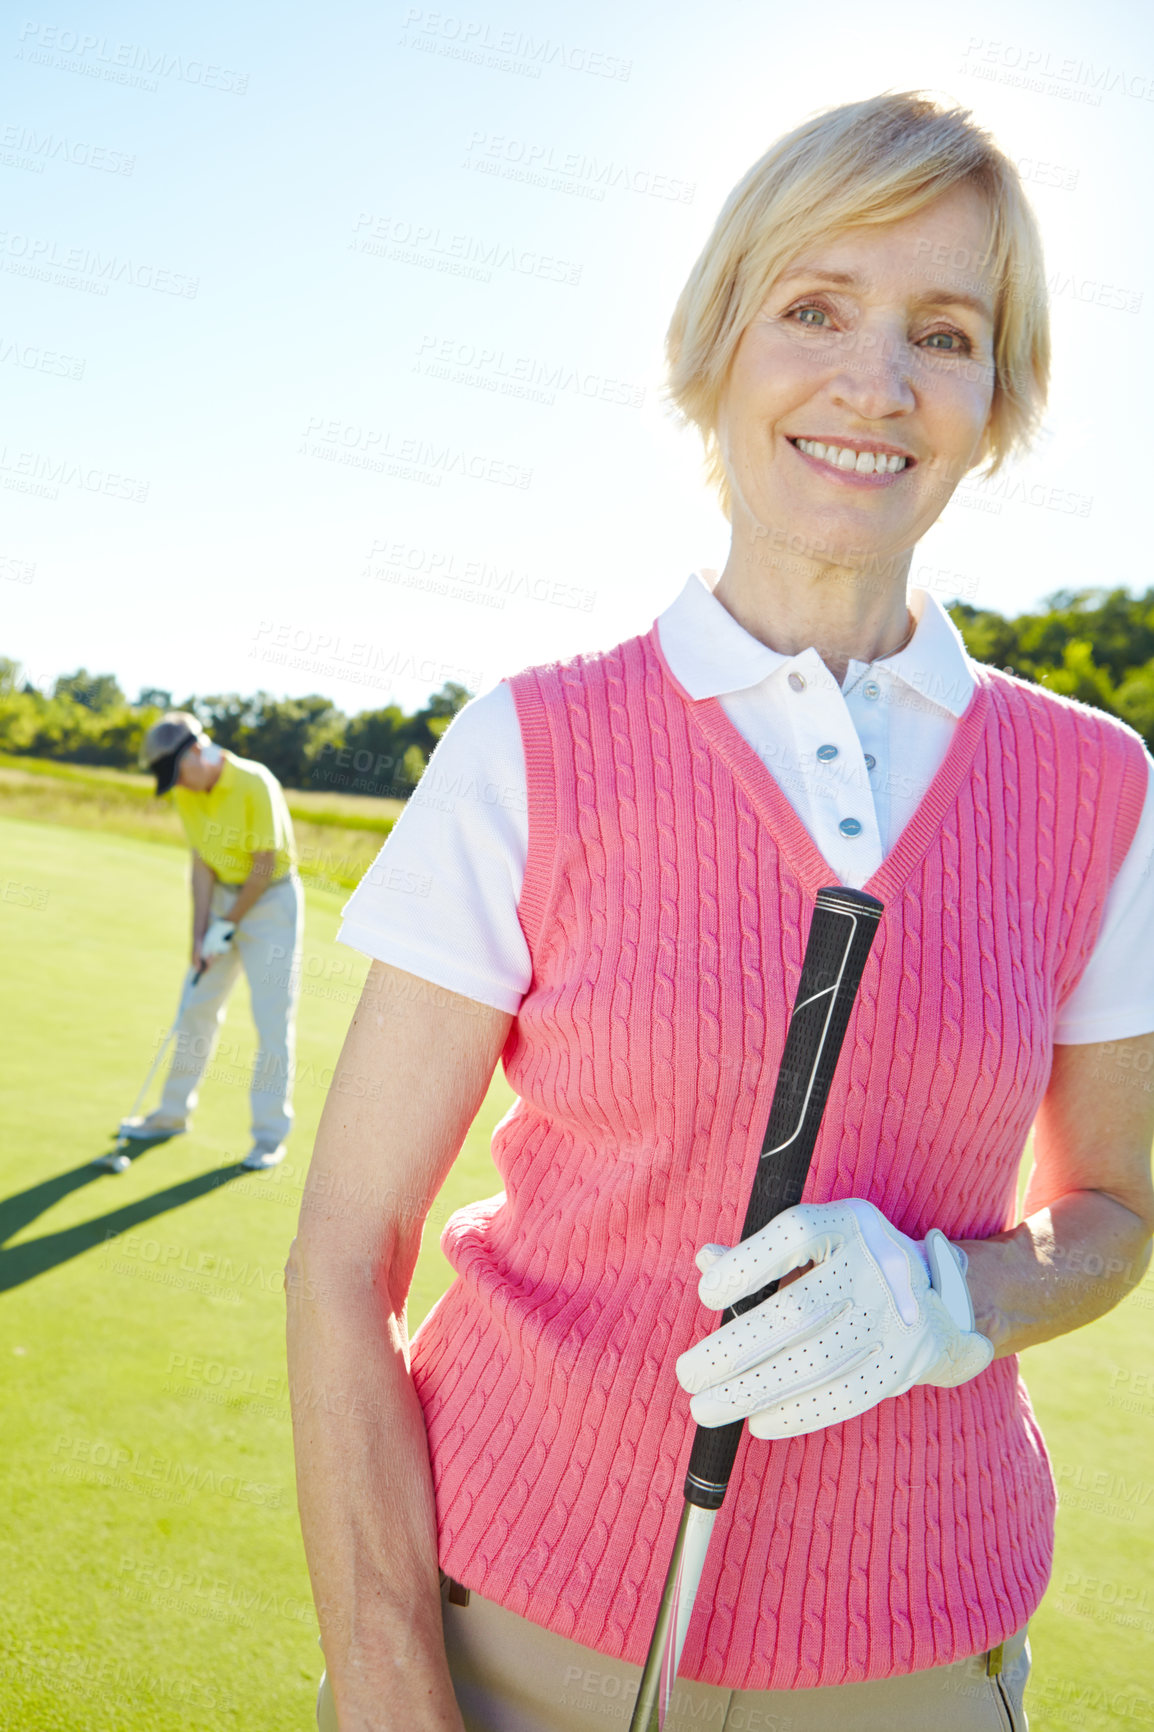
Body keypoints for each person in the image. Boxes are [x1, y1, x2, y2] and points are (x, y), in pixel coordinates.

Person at [287, 92, 1154, 1731]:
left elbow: (1110, 1208)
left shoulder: (1099, 787)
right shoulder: (531, 744)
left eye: (942, 333)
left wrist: (950, 1298)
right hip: (508, 1647)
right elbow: (342, 1252)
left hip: (912, 1671)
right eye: (812, 308)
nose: (872, 382)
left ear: (992, 398)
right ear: (715, 349)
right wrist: (393, 1687)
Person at [123, 710, 303, 1171]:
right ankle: (170, 1115)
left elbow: (264, 864)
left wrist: (229, 923)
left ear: (197, 751)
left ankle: (268, 1137)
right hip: (222, 894)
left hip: (271, 903)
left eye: (178, 774)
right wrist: (200, 933)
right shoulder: (187, 792)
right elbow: (202, 864)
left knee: (271, 1019)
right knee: (196, 1004)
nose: (178, 786)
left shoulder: (253, 782)